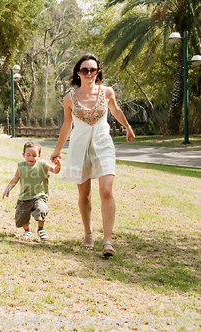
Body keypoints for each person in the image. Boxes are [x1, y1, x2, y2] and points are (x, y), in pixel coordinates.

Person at [50, 53, 135, 258]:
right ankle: (88, 233)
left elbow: (116, 111)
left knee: (106, 191)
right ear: (78, 73)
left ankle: (107, 242)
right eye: (85, 70)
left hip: (103, 144)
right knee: (85, 196)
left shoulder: (107, 92)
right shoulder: (69, 98)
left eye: (93, 69)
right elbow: (67, 125)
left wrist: (128, 128)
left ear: (98, 72)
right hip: (80, 147)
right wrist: (57, 149)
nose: (89, 73)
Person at [3, 141, 61, 241]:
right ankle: (27, 230)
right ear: (23, 155)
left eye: (34, 155)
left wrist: (58, 165)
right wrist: (8, 188)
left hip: (39, 195)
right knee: (22, 216)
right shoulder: (21, 166)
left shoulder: (42, 164)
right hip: (24, 197)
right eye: (28, 155)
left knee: (41, 209)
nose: (31, 158)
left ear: (39, 156)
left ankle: (41, 229)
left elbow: (55, 170)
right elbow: (15, 179)